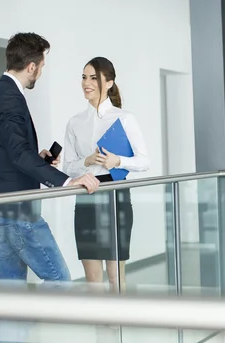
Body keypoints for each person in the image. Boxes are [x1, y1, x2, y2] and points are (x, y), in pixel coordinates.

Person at [0, 32, 100, 343]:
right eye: (41, 67)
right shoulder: (11, 100)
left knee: (13, 292)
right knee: (61, 281)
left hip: (0, 209)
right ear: (31, 65)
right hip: (17, 212)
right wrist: (66, 179)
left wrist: (40, 160)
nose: (41, 73)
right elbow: (16, 155)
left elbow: (12, 155)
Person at [64, 57, 149, 293]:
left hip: (115, 194)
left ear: (109, 82)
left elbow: (145, 161)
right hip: (86, 195)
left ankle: (118, 323)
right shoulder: (74, 123)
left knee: (115, 276)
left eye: (93, 78)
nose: (86, 83)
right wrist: (87, 161)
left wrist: (117, 161)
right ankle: (101, 326)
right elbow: (68, 168)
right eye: (83, 77)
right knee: (92, 278)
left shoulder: (124, 118)